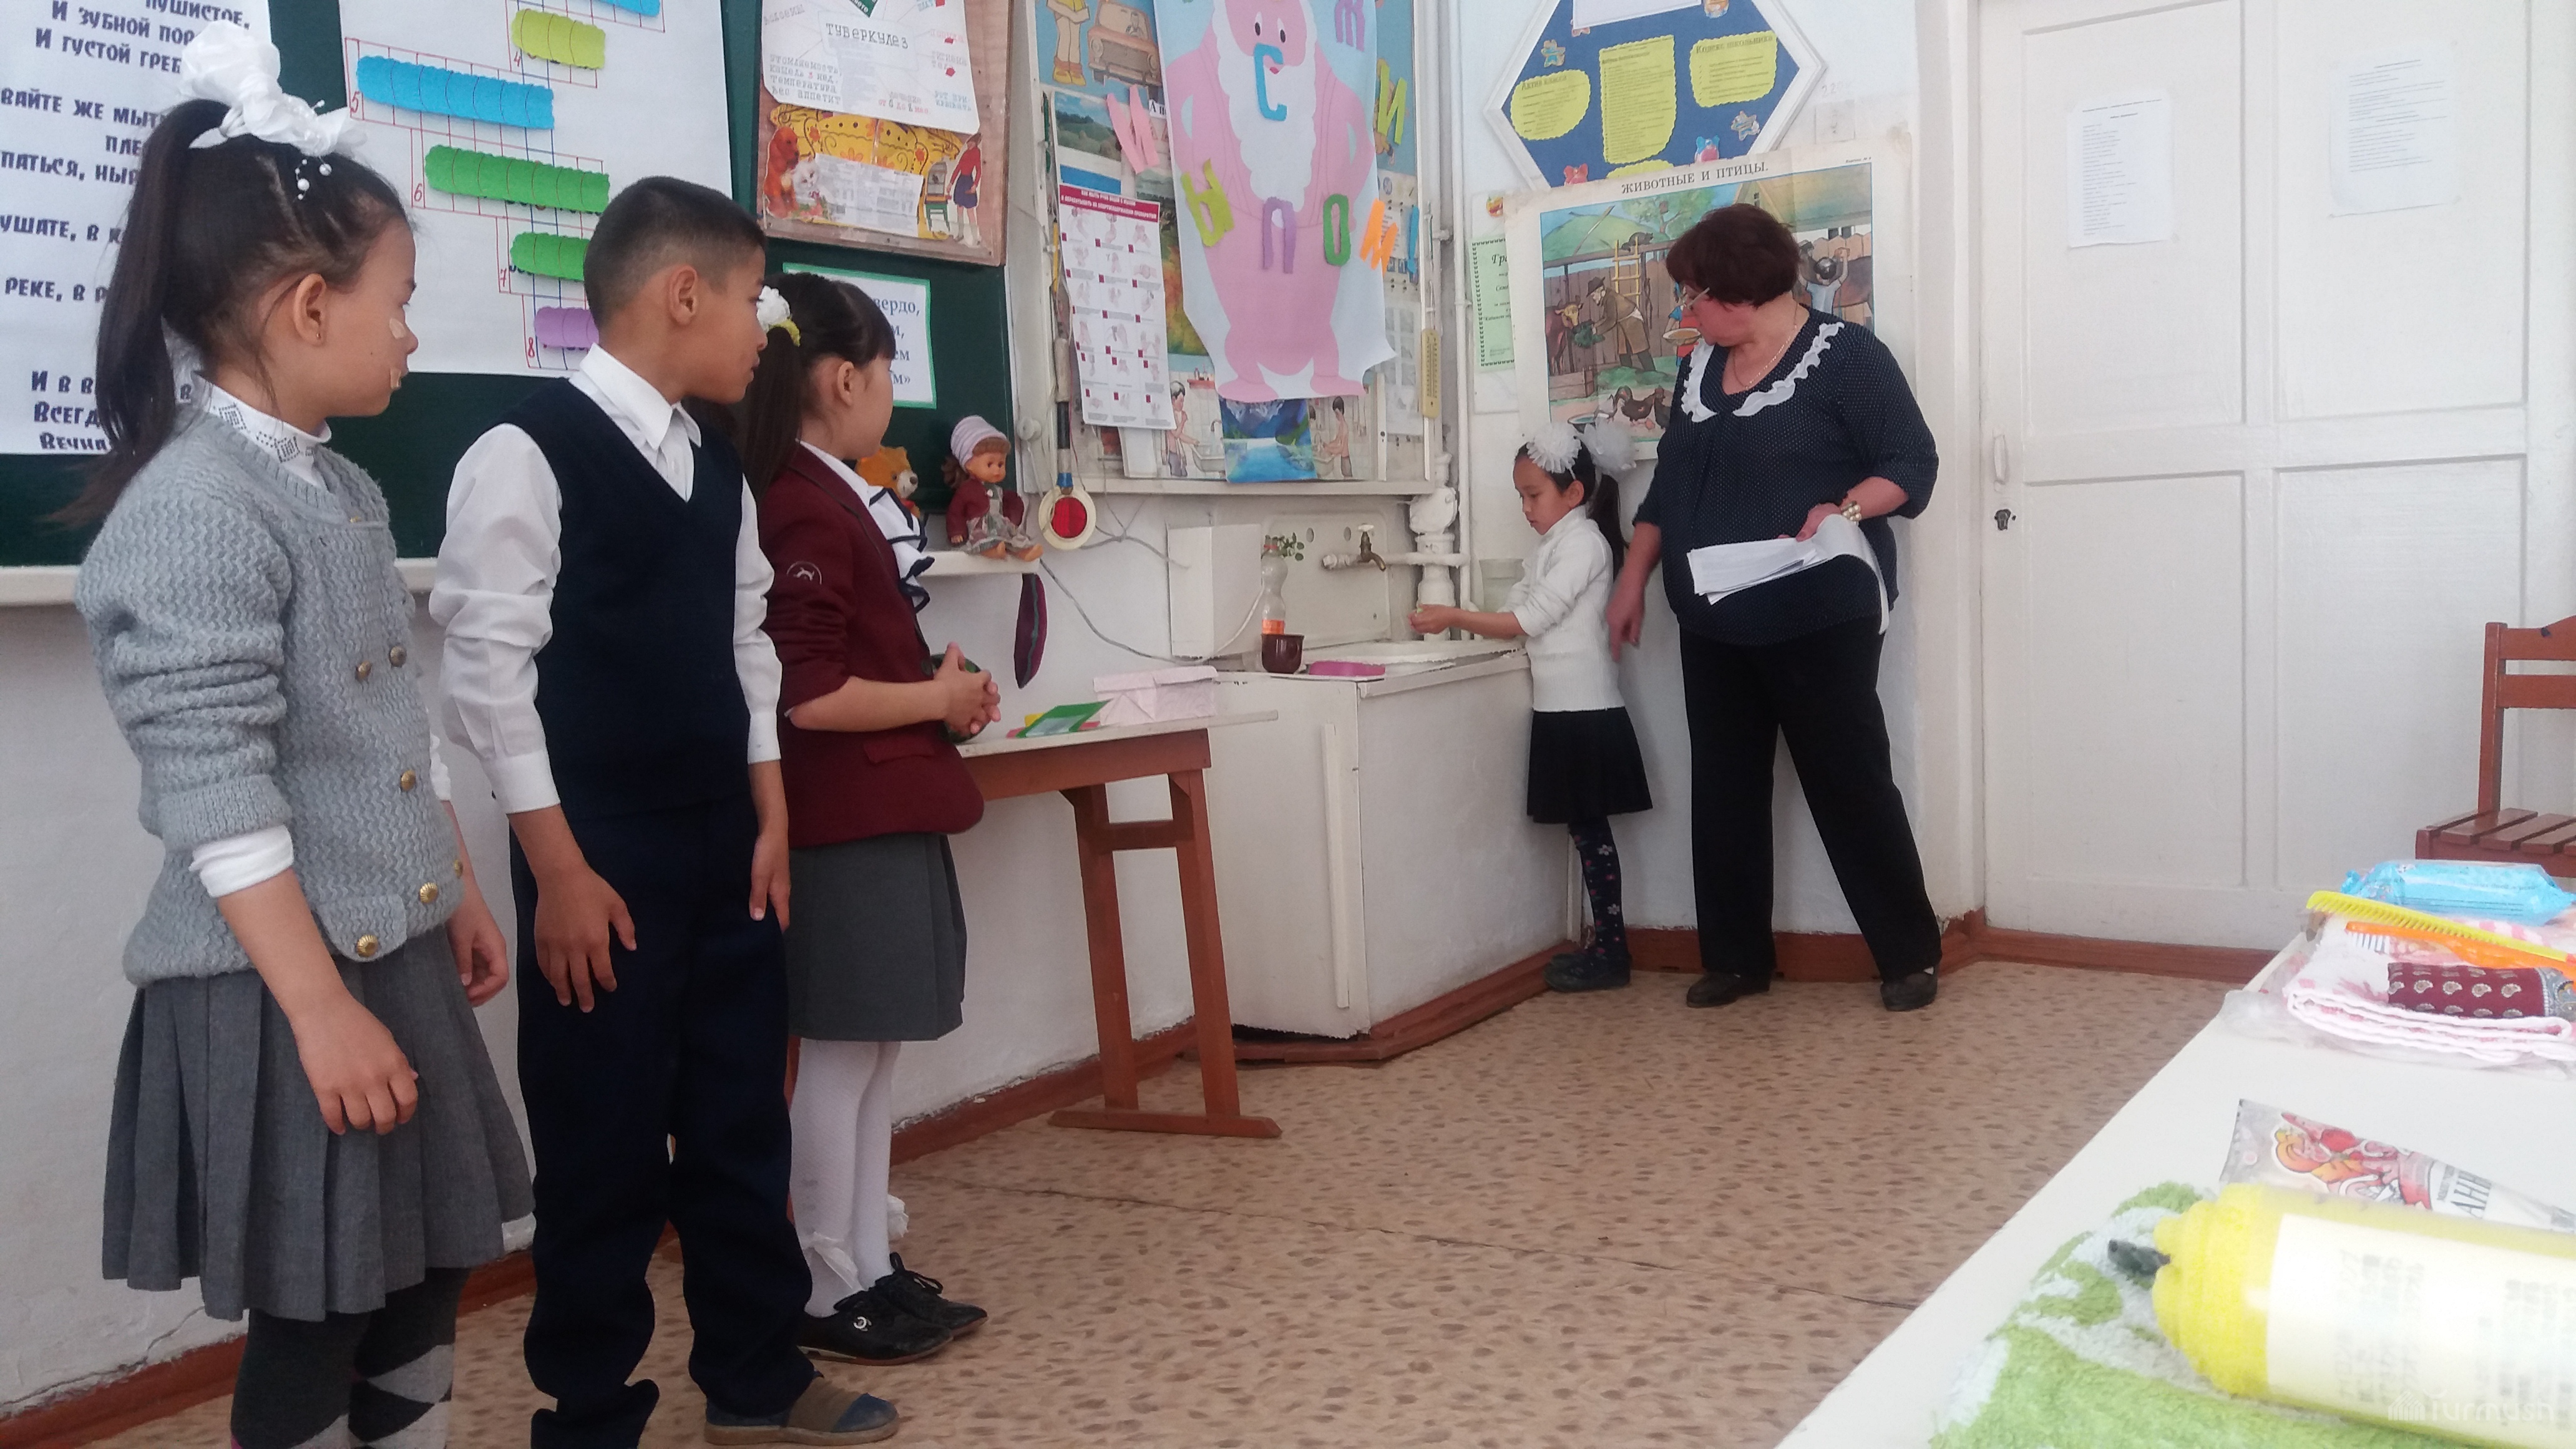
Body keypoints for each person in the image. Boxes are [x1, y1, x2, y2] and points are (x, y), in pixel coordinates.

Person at [69, 26, 532, 1449]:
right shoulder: (196, 509)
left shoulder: (334, 488)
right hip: (283, 977)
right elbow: (216, 786)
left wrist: (449, 878)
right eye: (401, 305)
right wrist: (321, 1008)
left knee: (421, 1265)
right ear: (308, 305)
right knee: (319, 1299)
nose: (411, 337)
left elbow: (379, 714)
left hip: (387, 942)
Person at [432, 179, 898, 1447]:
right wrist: (557, 871)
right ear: (682, 294)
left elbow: (748, 642)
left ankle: (754, 1377)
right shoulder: (527, 452)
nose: (766, 332)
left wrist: (770, 810)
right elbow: (486, 679)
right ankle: (589, 1410)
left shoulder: (714, 464)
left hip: (723, 845)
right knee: (605, 1140)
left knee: (740, 1116)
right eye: (753, 301)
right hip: (597, 856)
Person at [733, 270, 1000, 1367]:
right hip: (841, 817)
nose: (893, 395)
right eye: (890, 373)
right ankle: (822, 1282)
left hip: (877, 804)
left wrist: (942, 695)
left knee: (874, 1049)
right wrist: (934, 698)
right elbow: (809, 695)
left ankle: (869, 1266)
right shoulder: (800, 497)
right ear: (845, 379)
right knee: (841, 1055)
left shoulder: (827, 489)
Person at [1606, 202, 1944, 1014]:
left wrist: (1846, 509)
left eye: (1695, 295)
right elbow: (1673, 482)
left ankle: (1908, 955)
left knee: (1848, 780)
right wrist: (1633, 576)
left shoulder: (1846, 357)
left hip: (1818, 610)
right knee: (1724, 787)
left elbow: (1912, 462)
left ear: (1744, 291)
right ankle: (1736, 960)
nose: (1686, 312)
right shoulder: (1698, 368)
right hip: (1714, 615)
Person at [1410, 419, 1652, 994]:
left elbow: (1530, 618)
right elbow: (1519, 607)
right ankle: (1607, 946)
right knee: (1586, 833)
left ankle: (1612, 951)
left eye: (1533, 494)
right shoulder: (1553, 546)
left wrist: (1453, 616)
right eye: (1521, 495)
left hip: (1584, 711)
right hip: (1562, 710)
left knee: (1591, 835)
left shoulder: (1584, 545)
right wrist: (1469, 618)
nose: (1524, 508)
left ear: (1574, 492)